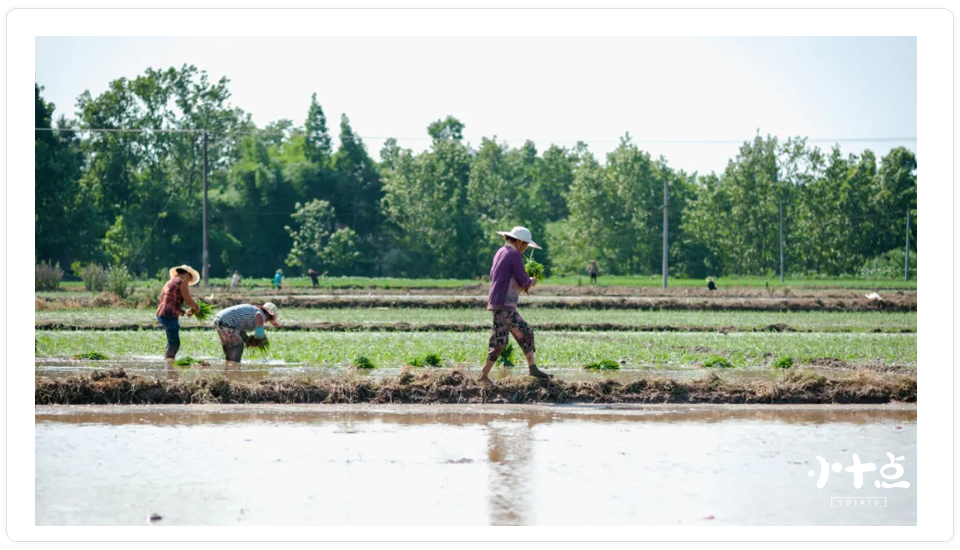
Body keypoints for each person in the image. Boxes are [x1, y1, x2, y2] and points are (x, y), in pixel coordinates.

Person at [478, 226, 553, 385]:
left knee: (526, 332)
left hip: (503, 302)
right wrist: (531, 282)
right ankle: (483, 375)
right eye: (525, 245)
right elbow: (523, 280)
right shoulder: (513, 254)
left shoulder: (501, 251)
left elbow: (497, 274)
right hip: (503, 303)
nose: (525, 249)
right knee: (500, 341)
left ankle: (533, 369)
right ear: (518, 242)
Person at [155, 265, 201, 363]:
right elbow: (188, 299)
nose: (188, 282)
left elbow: (171, 300)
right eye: (189, 279)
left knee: (171, 340)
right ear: (186, 274)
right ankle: (169, 363)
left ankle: (167, 359)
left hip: (162, 313)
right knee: (175, 342)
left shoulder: (172, 281)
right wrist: (197, 308)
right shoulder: (182, 281)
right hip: (168, 315)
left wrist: (183, 311)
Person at [212, 302, 281, 364]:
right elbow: (259, 333)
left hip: (219, 319)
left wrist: (247, 340)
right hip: (228, 322)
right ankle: (234, 369)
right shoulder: (261, 314)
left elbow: (240, 331)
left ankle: (228, 370)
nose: (267, 321)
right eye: (270, 319)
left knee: (229, 348)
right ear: (269, 315)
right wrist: (264, 339)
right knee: (238, 346)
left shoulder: (253, 311)